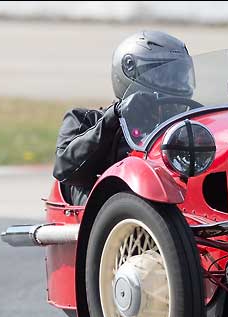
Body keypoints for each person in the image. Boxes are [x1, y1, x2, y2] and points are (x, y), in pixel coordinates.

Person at [53, 31, 194, 205]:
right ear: (130, 70)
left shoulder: (184, 127)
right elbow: (64, 170)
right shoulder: (83, 119)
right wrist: (115, 116)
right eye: (163, 74)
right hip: (112, 217)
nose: (174, 82)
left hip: (180, 210)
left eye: (178, 75)